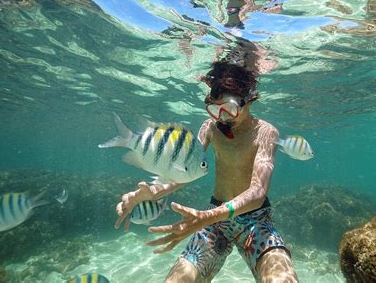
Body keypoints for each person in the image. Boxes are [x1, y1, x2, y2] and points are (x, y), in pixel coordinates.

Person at [115, 61, 298, 282]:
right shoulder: (209, 128)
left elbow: (258, 192)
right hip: (213, 219)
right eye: (215, 110)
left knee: (281, 278)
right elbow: (184, 170)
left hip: (255, 222)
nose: (223, 117)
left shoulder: (266, 132)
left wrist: (208, 217)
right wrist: (152, 193)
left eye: (229, 109)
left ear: (247, 99)